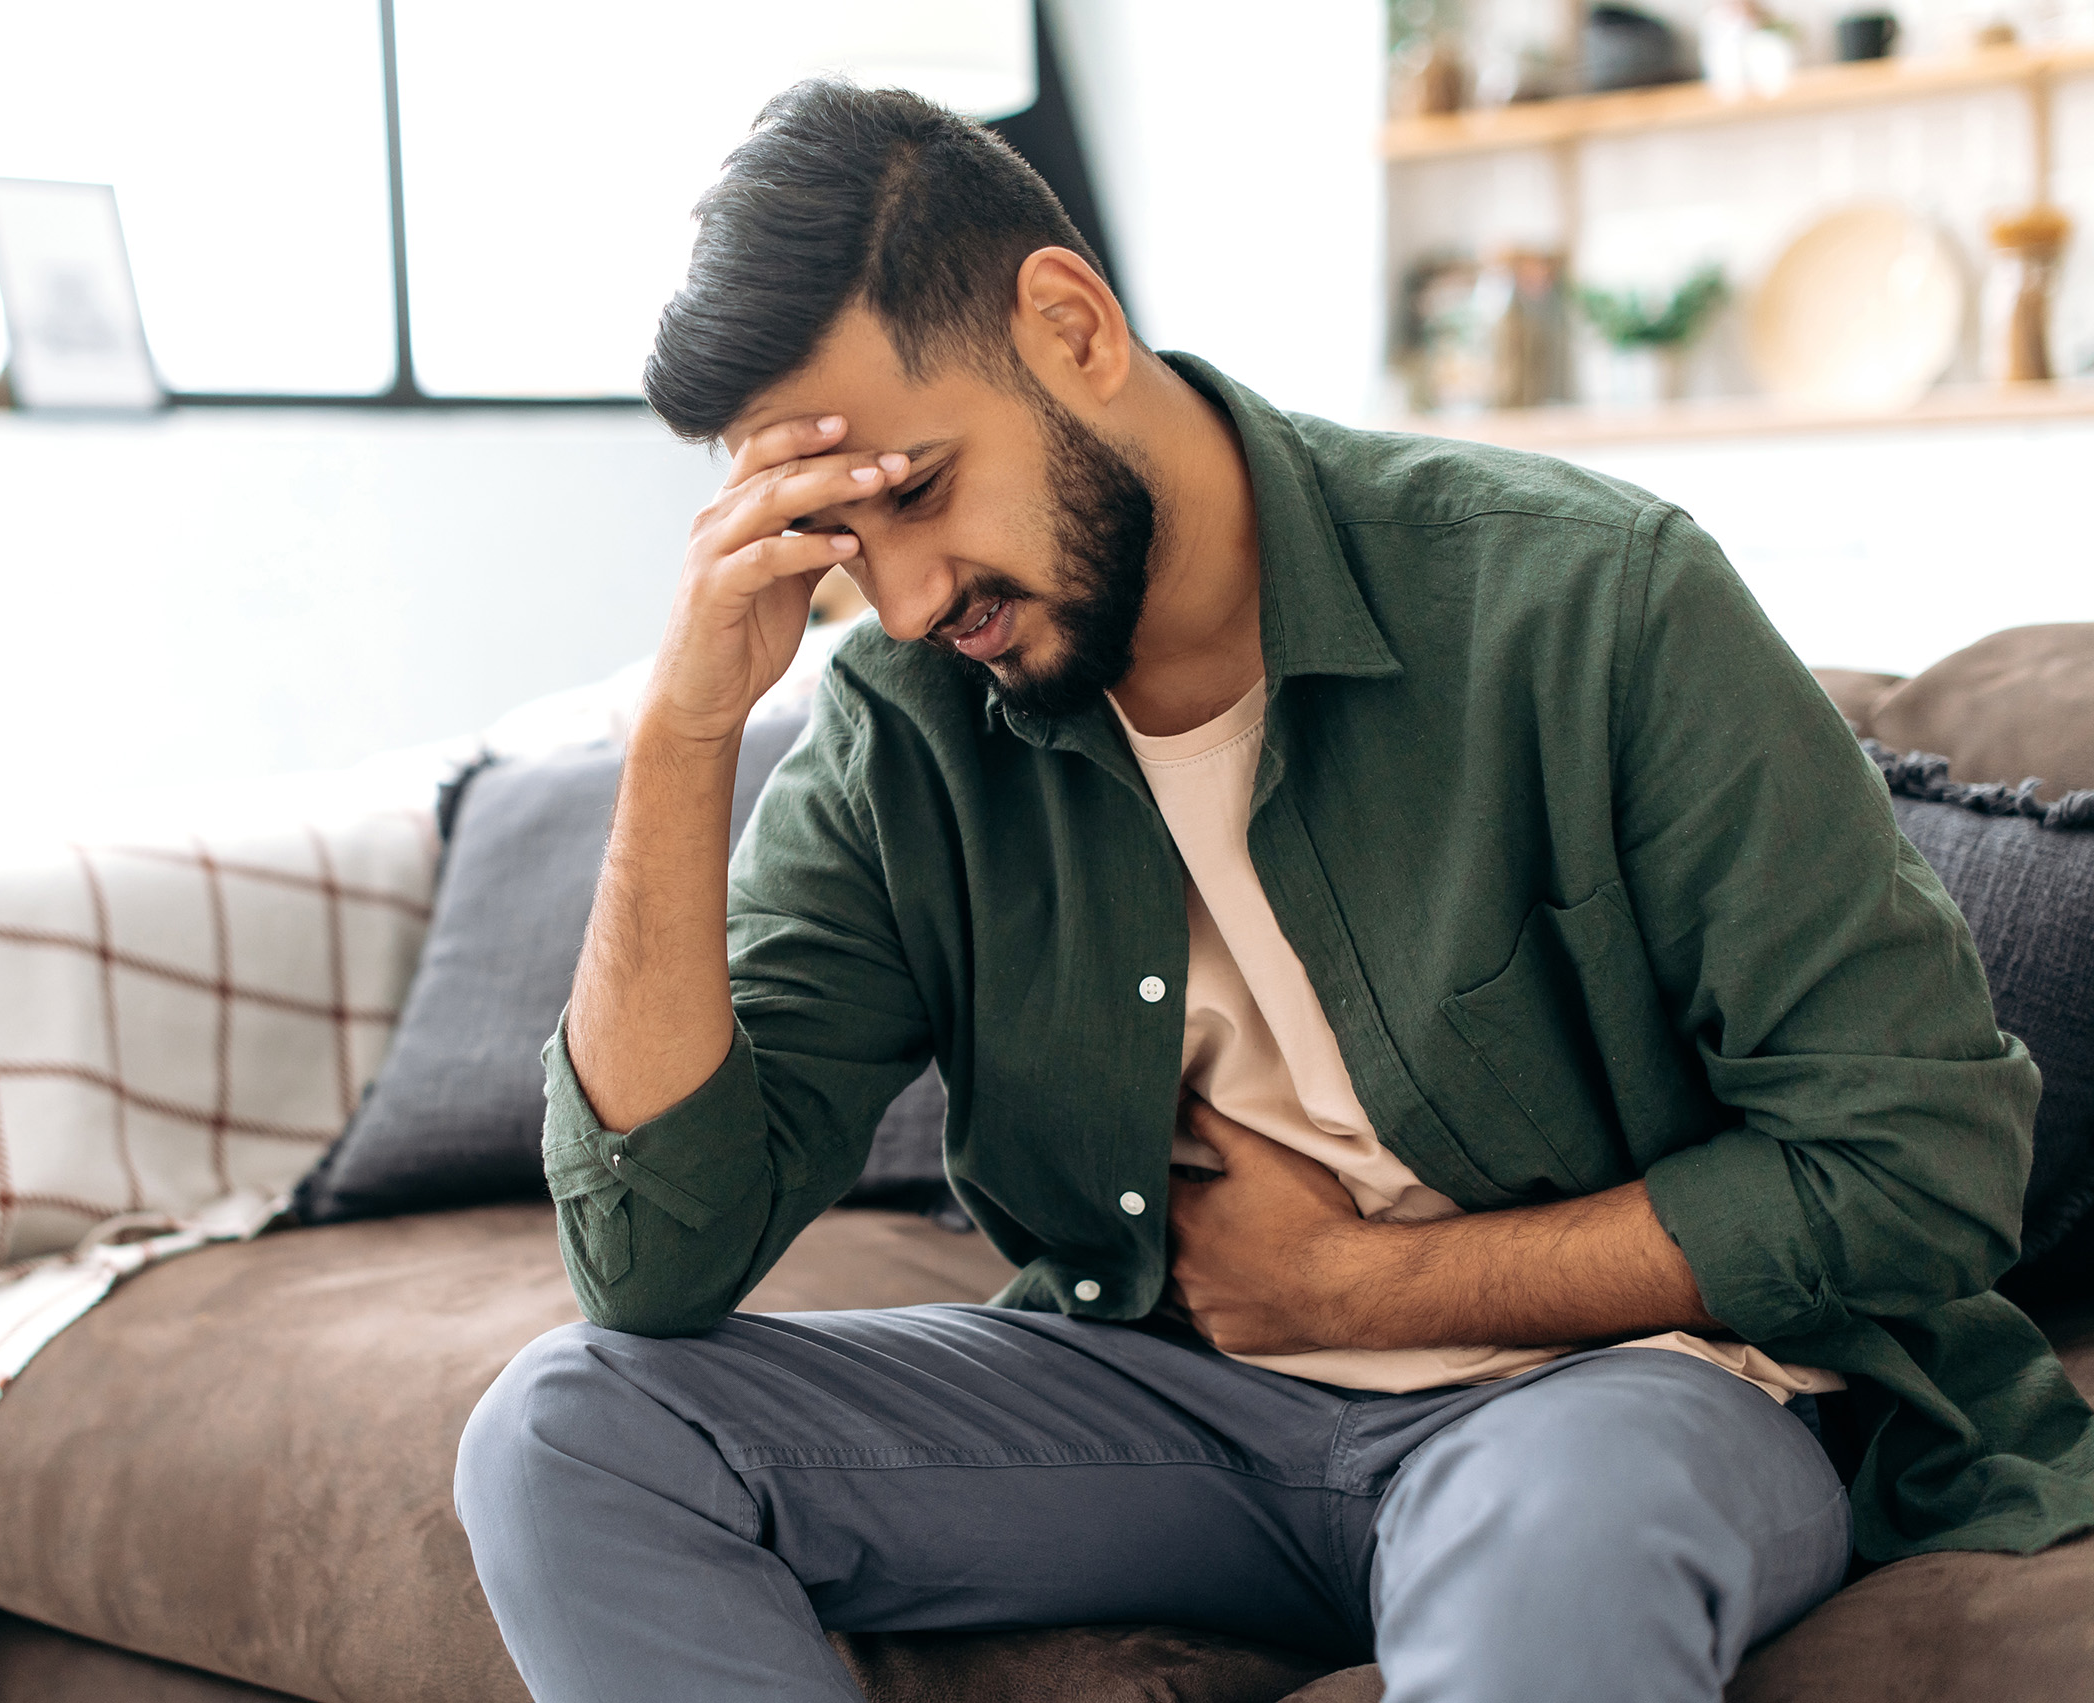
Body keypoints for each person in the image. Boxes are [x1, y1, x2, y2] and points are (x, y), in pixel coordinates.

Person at [452, 81, 2094, 1703]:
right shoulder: (909, 718)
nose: (899, 597)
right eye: (831, 535)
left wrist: (1370, 1289)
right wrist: (686, 735)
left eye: (915, 492)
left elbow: (1917, 1163)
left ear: (1072, 324)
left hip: (1621, 1398)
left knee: (1555, 1538)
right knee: (571, 1433)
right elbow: (654, 1268)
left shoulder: (1586, 601)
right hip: (1171, 1410)